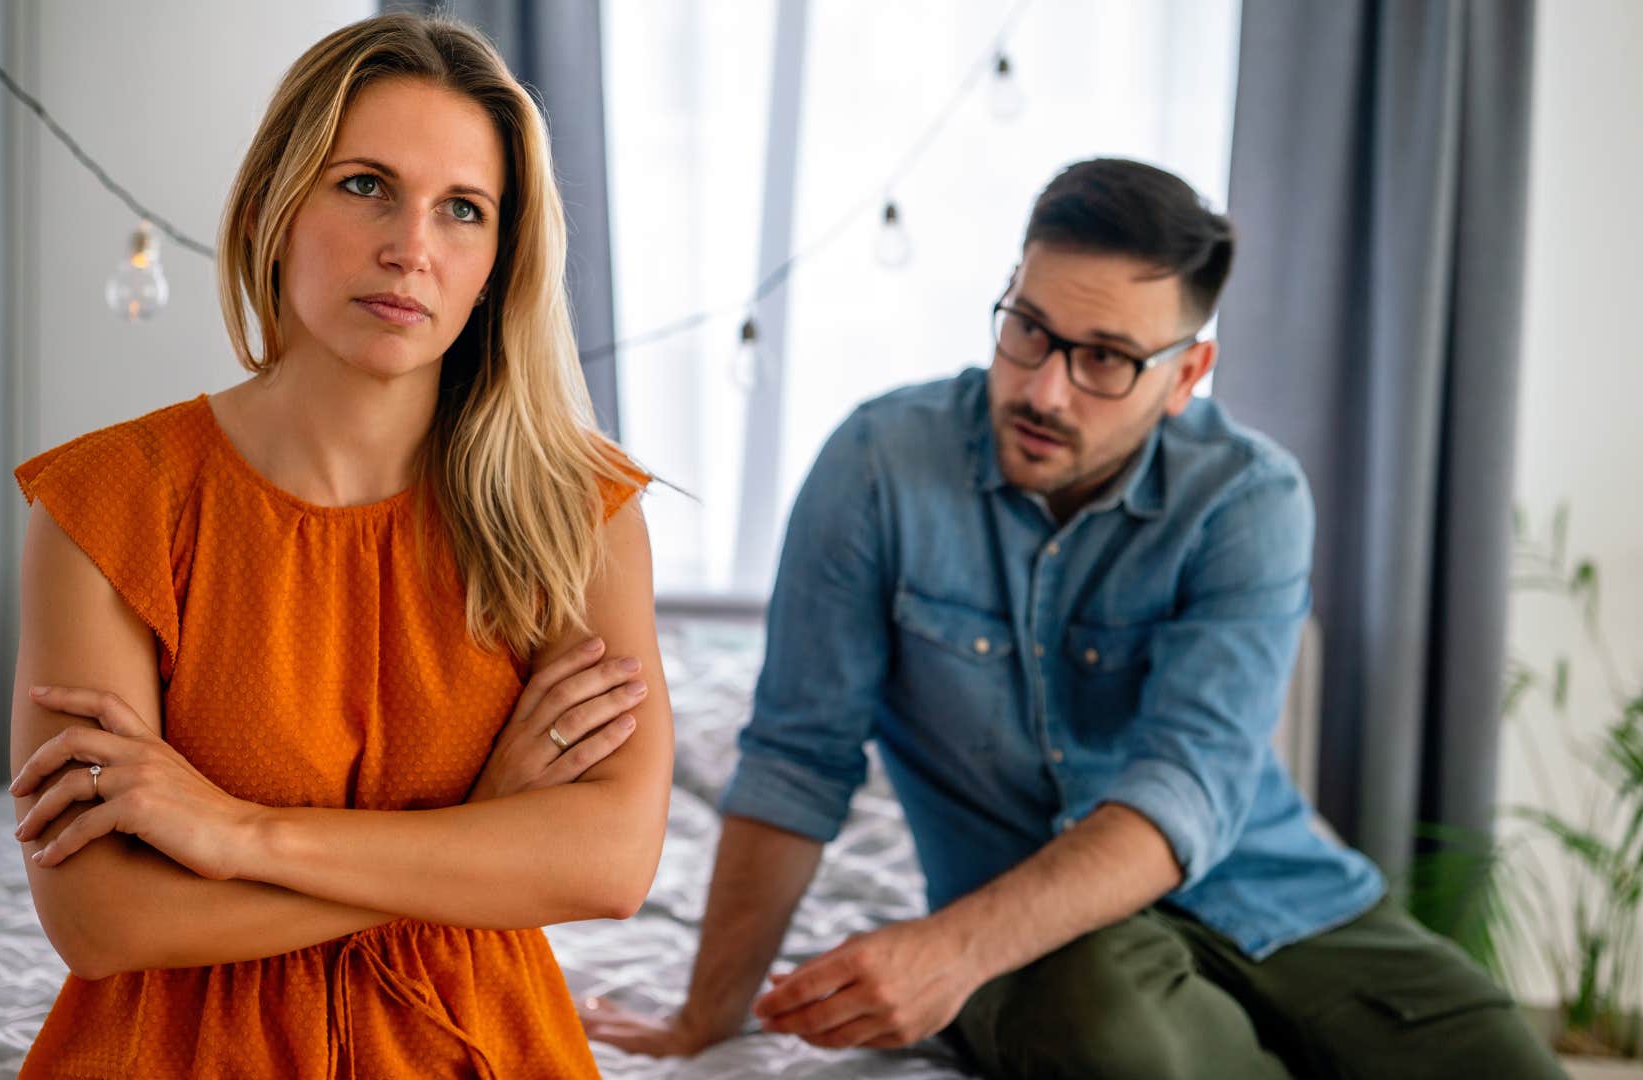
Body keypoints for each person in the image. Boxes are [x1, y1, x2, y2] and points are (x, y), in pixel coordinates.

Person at [582, 158, 1564, 1078]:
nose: (1045, 388)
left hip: (1282, 899)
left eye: (1106, 360)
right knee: (1114, 1039)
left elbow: (1186, 787)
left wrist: (943, 949)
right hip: (1044, 944)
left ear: (1187, 375)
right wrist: (704, 1019)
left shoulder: (1249, 499)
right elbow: (797, 759)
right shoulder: (878, 468)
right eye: (1029, 329)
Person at [2, 13, 671, 1078]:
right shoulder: (106, 505)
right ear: (273, 203)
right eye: (365, 185)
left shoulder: (575, 510)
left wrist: (234, 837)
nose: (411, 248)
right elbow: (101, 919)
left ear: (499, 261)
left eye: (463, 210)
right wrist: (478, 836)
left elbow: (610, 863)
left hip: (481, 1050)